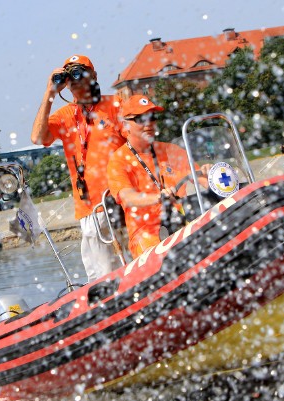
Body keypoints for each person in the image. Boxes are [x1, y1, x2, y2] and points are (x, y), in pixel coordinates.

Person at [31, 55, 126, 282]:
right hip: (90, 210)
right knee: (103, 278)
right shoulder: (65, 116)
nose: (73, 80)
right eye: (68, 76)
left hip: (122, 203)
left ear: (93, 75)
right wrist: (50, 93)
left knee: (134, 264)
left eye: (78, 73)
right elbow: (37, 137)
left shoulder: (116, 106)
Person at [107, 95, 210, 259]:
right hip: (146, 232)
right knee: (157, 249)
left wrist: (210, 175)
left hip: (182, 219)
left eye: (152, 117)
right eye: (140, 118)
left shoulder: (171, 150)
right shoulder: (117, 161)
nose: (148, 123)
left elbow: (203, 181)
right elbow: (127, 198)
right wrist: (157, 198)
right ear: (125, 124)